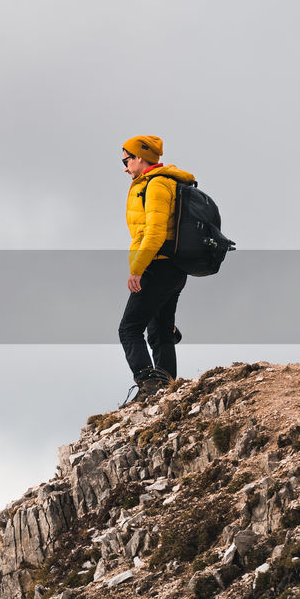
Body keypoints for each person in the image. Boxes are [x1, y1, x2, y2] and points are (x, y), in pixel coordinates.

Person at [118, 135, 196, 401]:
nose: (125, 166)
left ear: (140, 157)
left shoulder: (156, 186)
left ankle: (149, 384)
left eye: (126, 160)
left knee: (129, 328)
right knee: (161, 331)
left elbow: (154, 233)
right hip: (174, 269)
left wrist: (137, 269)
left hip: (158, 266)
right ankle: (167, 389)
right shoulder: (165, 182)